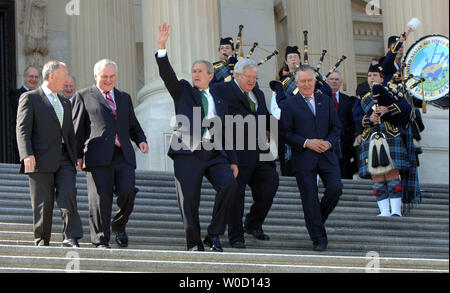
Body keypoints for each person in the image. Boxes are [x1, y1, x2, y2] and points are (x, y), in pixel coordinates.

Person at [156, 23, 238, 252]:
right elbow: (167, 76)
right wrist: (162, 49)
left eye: (200, 71)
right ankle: (194, 243)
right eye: (193, 71)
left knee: (229, 185)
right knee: (188, 200)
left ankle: (213, 234)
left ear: (211, 75)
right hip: (188, 152)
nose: (195, 74)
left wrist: (232, 160)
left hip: (215, 153)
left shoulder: (219, 100)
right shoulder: (183, 90)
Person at [73, 59, 149, 249]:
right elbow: (77, 129)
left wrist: (141, 140)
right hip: (97, 155)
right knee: (100, 199)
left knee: (127, 191)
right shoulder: (83, 96)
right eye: (104, 76)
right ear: (96, 76)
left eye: (112, 76)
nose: (108, 80)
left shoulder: (124, 97)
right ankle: (101, 240)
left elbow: (133, 125)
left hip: (123, 154)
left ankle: (119, 224)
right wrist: (77, 155)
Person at [212, 59, 279, 249]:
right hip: (237, 152)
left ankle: (253, 224)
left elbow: (264, 117)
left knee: (270, 183)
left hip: (259, 151)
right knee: (237, 195)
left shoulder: (258, 92)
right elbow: (219, 118)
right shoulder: (221, 90)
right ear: (237, 75)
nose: (252, 81)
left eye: (255, 78)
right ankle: (236, 235)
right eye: (248, 77)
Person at [16, 61, 83, 247]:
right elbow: (22, 129)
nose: (67, 79)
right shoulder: (30, 98)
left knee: (68, 193)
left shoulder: (64, 102)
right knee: (43, 202)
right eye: (64, 75)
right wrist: (26, 154)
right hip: (40, 158)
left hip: (65, 158)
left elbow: (70, 134)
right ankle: (42, 240)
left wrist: (77, 156)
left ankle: (71, 236)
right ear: (52, 76)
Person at [280, 65, 342, 252]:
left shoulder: (327, 100)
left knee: (335, 188)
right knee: (309, 198)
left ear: (315, 81)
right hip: (303, 157)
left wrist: (328, 143)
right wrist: (307, 142)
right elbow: (285, 133)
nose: (307, 84)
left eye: (310, 80)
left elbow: (336, 128)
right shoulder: (289, 104)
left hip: (326, 155)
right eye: (303, 81)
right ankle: (319, 238)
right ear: (296, 83)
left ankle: (315, 221)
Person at [353, 64, 415, 217]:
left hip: (390, 136)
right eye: (369, 76)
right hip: (370, 138)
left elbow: (406, 109)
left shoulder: (393, 92)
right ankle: (384, 211)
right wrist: (369, 119)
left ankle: (396, 210)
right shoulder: (362, 97)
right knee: (377, 176)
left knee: (392, 173)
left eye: (375, 75)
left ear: (382, 78)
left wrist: (388, 109)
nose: (371, 78)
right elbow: (356, 117)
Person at [327, 70, 357, 179]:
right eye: (331, 79)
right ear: (327, 81)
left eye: (337, 79)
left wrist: (349, 134)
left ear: (340, 82)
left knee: (345, 171)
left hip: (345, 141)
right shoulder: (321, 98)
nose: (334, 82)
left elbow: (351, 120)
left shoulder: (347, 100)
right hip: (327, 140)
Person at [10, 66, 40, 163]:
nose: (33, 79)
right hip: (23, 141)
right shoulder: (16, 94)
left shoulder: (41, 96)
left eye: (36, 77)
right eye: (31, 76)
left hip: (39, 142)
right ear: (24, 77)